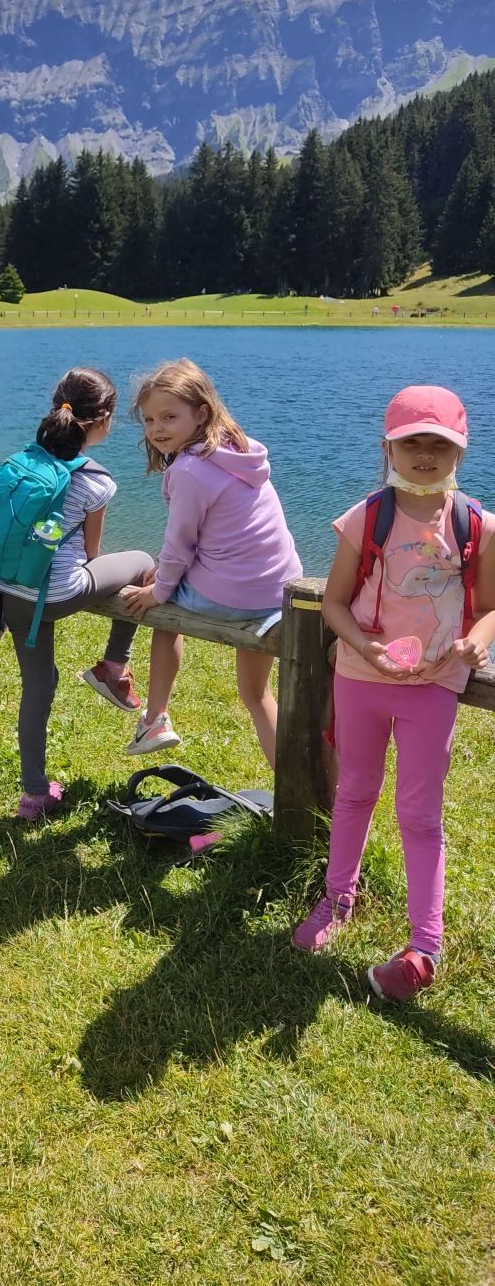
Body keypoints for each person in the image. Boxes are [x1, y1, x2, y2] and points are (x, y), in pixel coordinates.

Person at [292, 386, 495, 1002]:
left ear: (461, 451)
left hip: (434, 687)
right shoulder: (367, 517)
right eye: (412, 443)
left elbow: (489, 608)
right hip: (361, 677)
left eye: (440, 444)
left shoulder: (477, 525)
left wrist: (476, 643)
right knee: (355, 791)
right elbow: (333, 603)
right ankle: (337, 898)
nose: (425, 455)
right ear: (388, 449)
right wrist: (365, 645)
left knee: (420, 814)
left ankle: (424, 944)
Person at [0, 368, 156, 819]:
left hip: (10, 590)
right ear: (103, 420)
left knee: (38, 686)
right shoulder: (97, 480)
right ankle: (114, 665)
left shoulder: (23, 461)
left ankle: (34, 795)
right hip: (58, 593)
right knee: (143, 561)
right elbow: (93, 553)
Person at [121, 358, 300, 765]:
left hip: (231, 594)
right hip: (277, 591)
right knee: (257, 694)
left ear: (201, 413)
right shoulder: (240, 450)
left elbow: (179, 546)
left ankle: (155, 717)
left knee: (160, 602)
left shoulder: (189, 470)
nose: (157, 429)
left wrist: (158, 591)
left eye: (169, 417)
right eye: (149, 420)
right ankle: (295, 790)